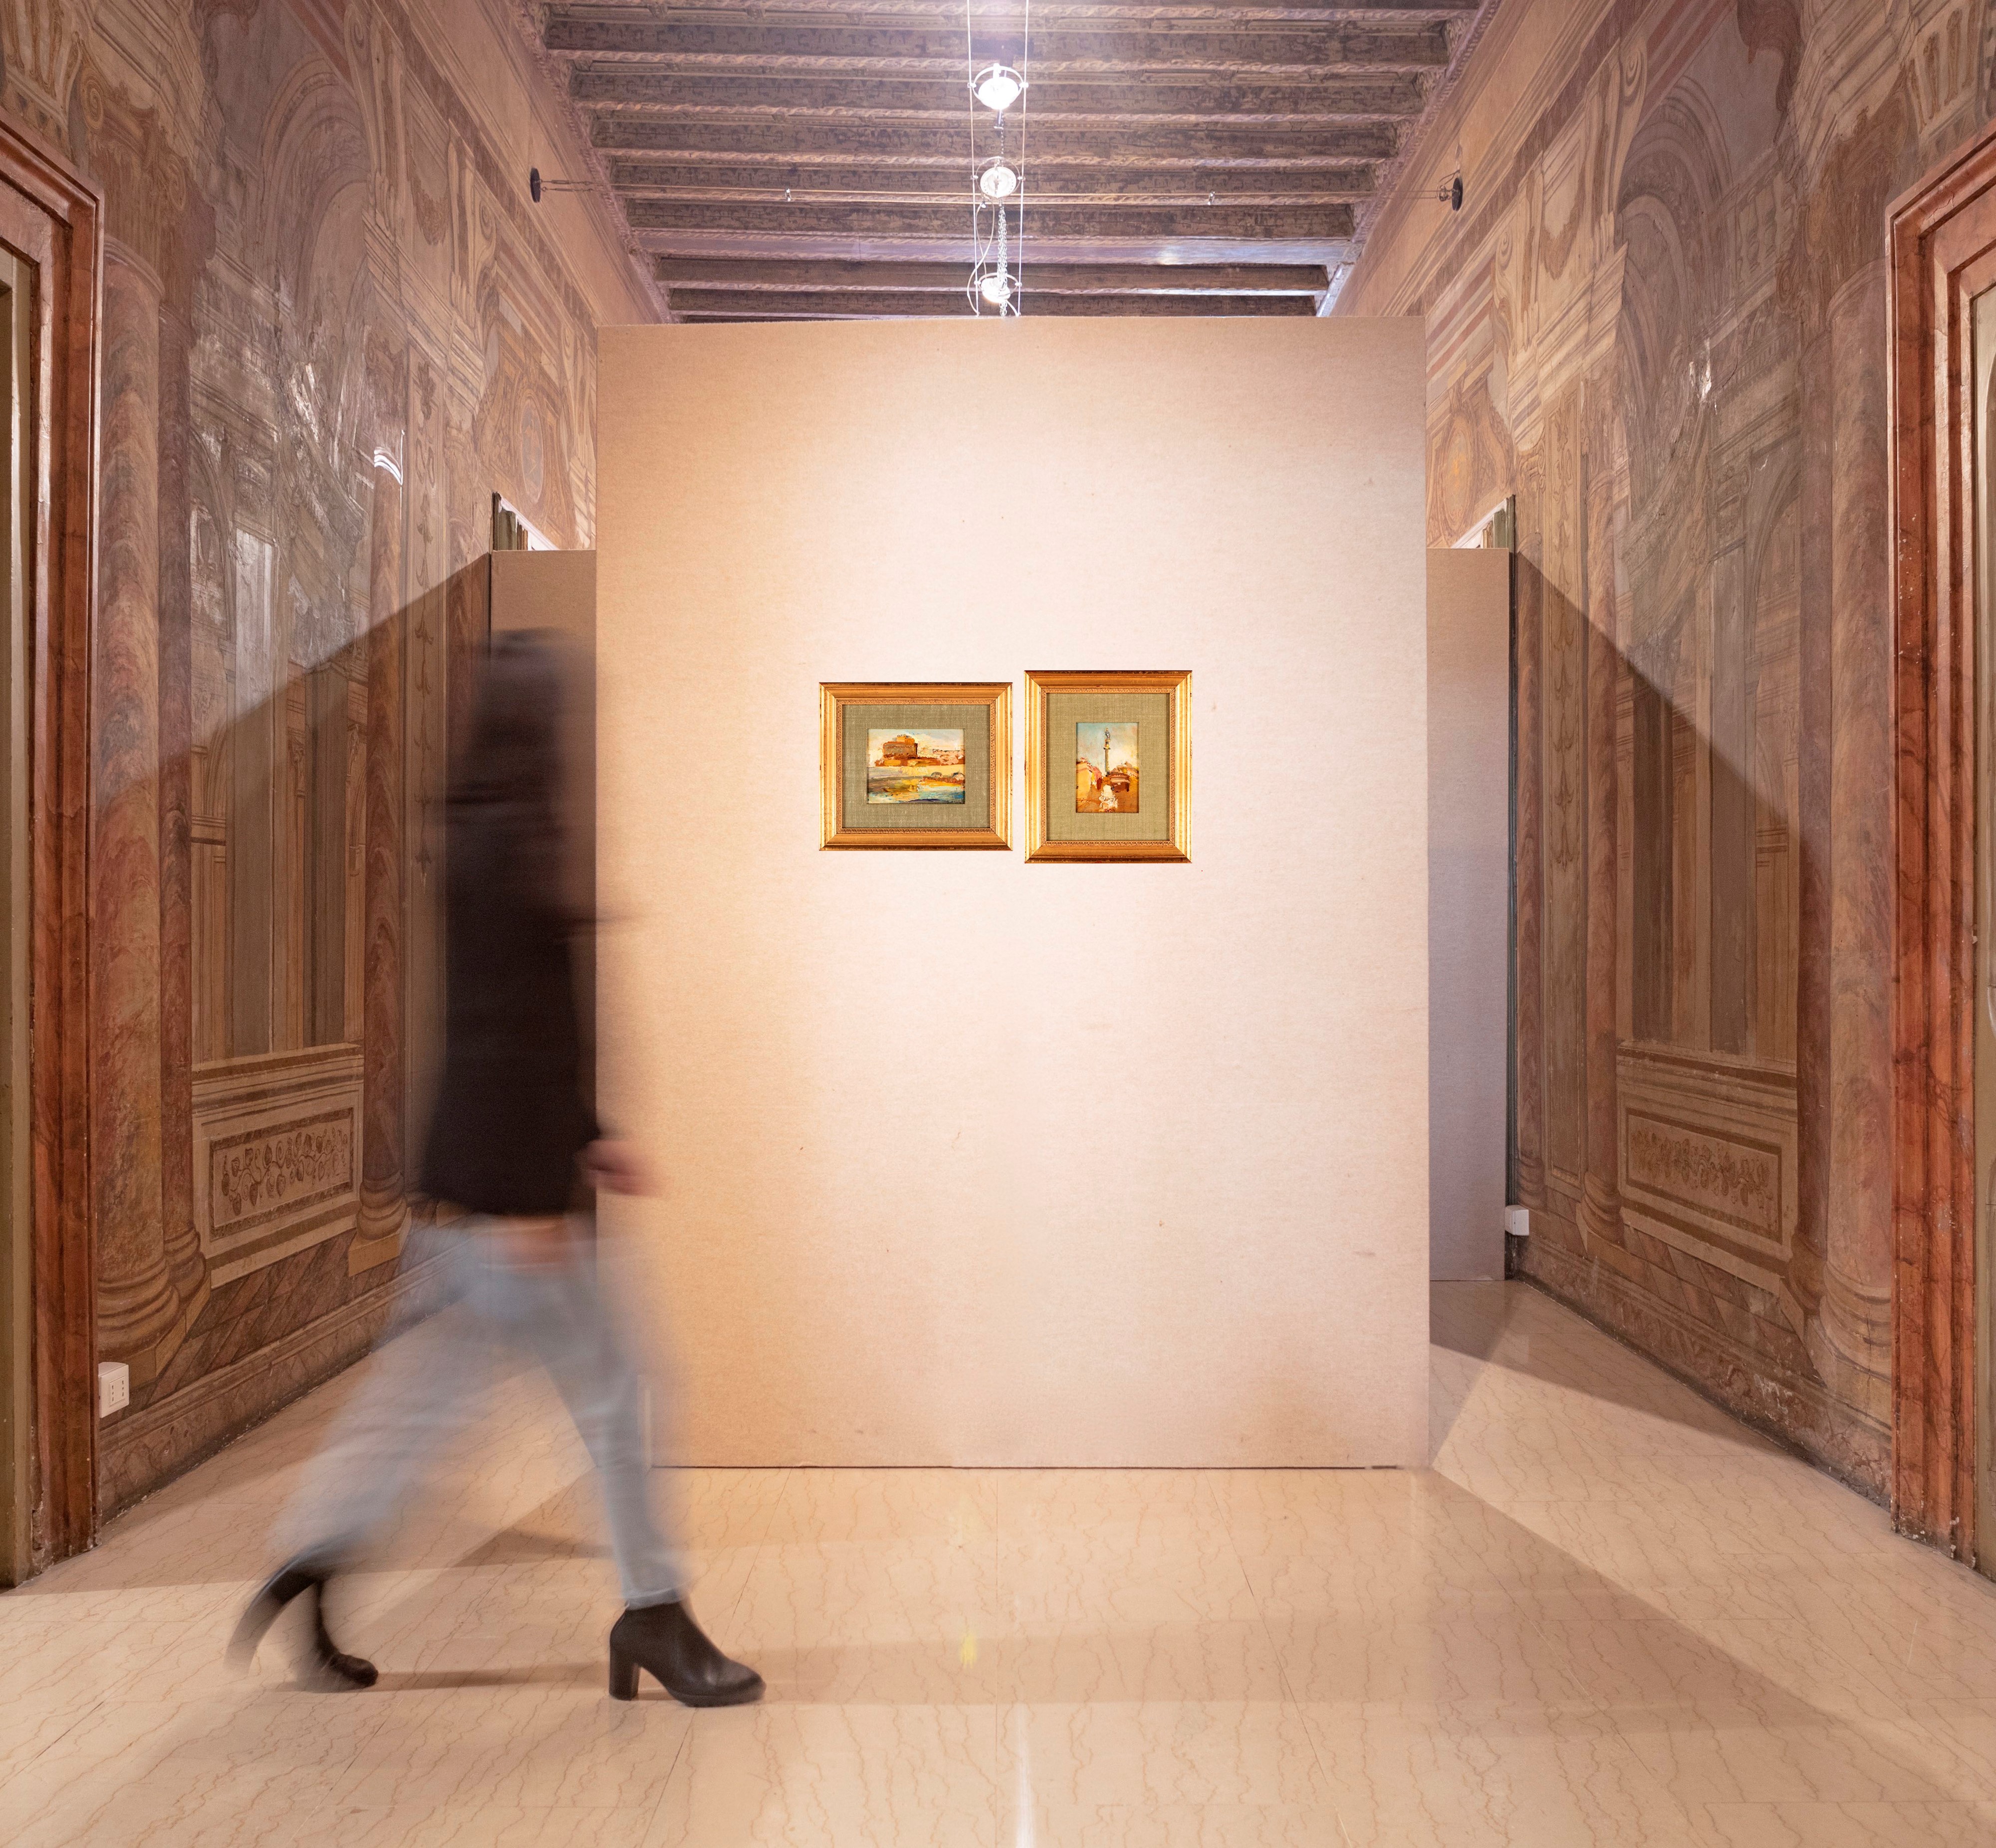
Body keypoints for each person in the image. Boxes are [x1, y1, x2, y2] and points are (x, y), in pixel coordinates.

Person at [231, 631, 761, 1709]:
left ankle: (310, 1562)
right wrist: (537, 1190)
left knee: (421, 1409)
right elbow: (506, 1029)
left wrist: (591, 1129)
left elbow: (520, 1025)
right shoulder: (517, 846)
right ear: (544, 725)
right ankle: (653, 1613)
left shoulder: (478, 836)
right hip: (507, 1199)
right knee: (621, 1394)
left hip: (471, 1181)